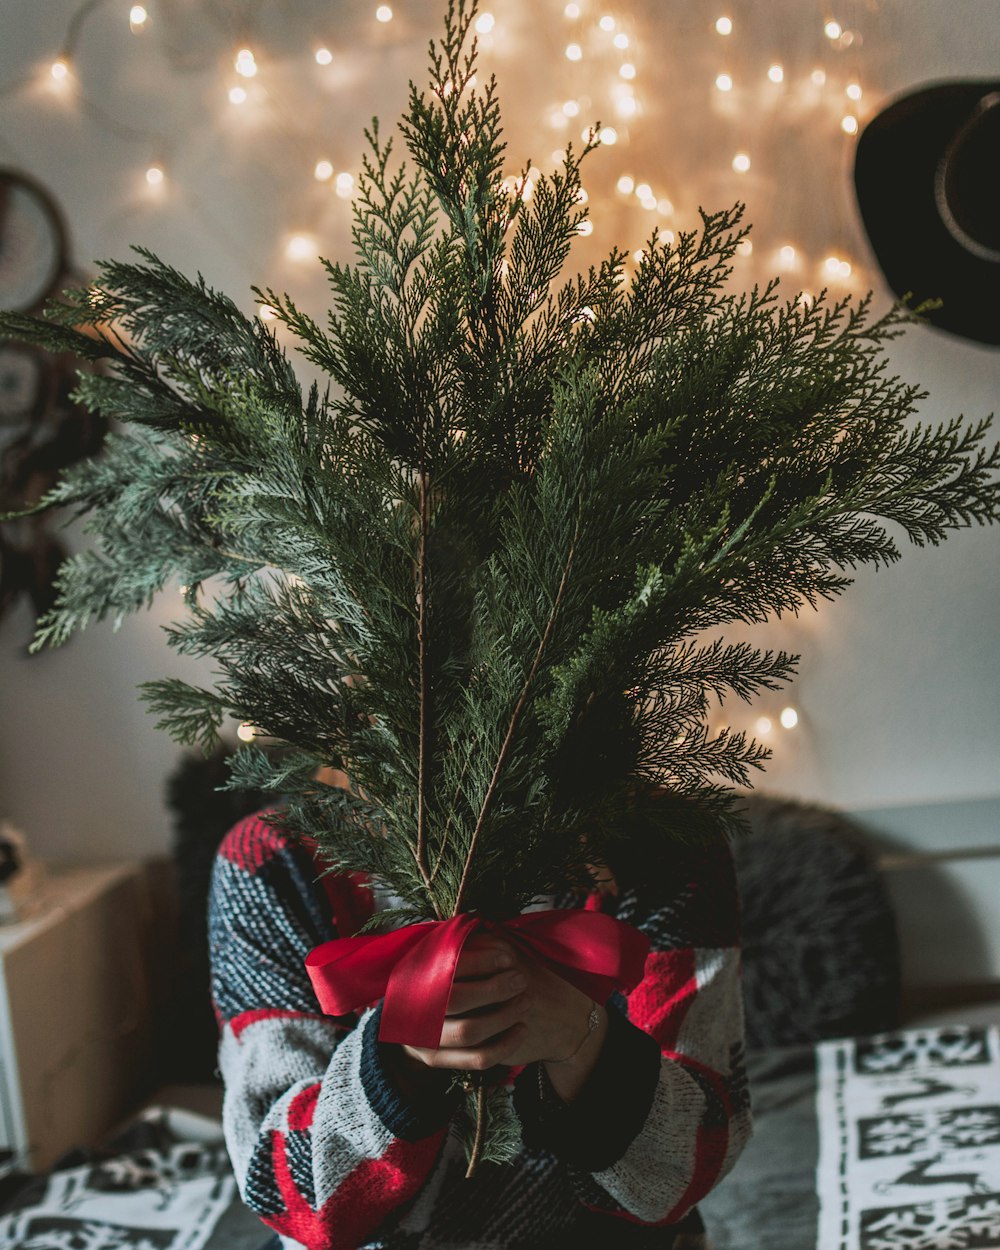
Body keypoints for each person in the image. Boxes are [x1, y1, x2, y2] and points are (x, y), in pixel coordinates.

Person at [208, 797, 751, 1250]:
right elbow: (288, 1190)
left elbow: (686, 1165)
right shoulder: (269, 856)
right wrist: (397, 1062)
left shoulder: (665, 840)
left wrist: (583, 1040)